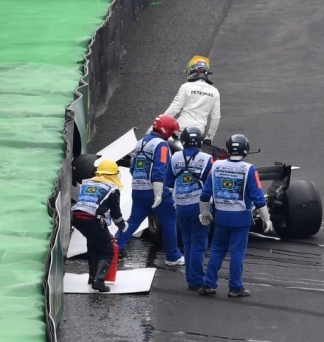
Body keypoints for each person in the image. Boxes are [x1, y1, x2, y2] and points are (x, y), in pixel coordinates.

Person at [198, 134, 273, 298]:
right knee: (237, 253)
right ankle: (235, 287)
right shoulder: (249, 169)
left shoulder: (216, 165)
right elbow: (258, 198)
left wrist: (205, 212)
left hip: (221, 216)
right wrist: (266, 219)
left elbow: (205, 194)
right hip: (241, 217)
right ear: (245, 150)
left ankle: (209, 284)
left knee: (217, 250)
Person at [115, 114, 184, 266]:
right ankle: (173, 256)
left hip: (138, 189)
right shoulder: (162, 145)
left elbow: (133, 168)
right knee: (169, 221)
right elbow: (160, 168)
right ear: (166, 130)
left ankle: (111, 249)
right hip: (156, 190)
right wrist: (159, 193)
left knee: (132, 222)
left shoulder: (140, 143)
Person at [165, 126, 214, 291]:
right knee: (199, 243)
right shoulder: (207, 158)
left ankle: (190, 279)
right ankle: (197, 280)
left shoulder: (174, 157)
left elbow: (169, 182)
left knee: (188, 243)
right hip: (200, 206)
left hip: (181, 206)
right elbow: (211, 183)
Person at [71, 159, 129, 292]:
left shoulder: (88, 183)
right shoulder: (112, 189)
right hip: (92, 218)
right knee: (106, 250)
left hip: (77, 218)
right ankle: (99, 281)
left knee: (93, 243)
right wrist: (122, 226)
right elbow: (115, 213)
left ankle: (92, 276)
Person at [164, 55, 221, 146]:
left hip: (180, 129)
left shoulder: (186, 87)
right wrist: (209, 137)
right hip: (199, 132)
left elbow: (174, 108)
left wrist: (159, 125)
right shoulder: (214, 92)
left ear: (192, 71)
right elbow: (216, 117)